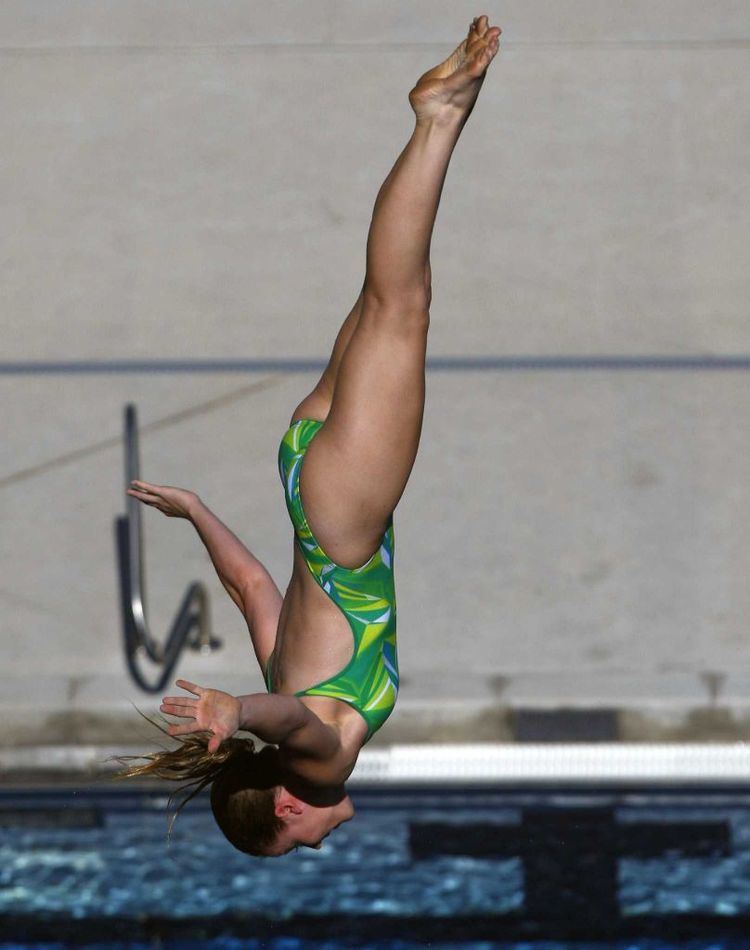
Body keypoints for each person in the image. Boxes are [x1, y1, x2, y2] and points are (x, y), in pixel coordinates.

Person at [114, 15, 502, 857]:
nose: (323, 840)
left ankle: (436, 117)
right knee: (379, 302)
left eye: (303, 844)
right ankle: (435, 121)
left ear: (287, 809)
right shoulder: (279, 672)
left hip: (346, 516)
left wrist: (237, 714)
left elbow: (289, 719)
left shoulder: (320, 762)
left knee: (400, 304)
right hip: (302, 474)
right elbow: (254, 586)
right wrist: (197, 511)